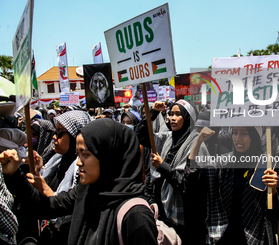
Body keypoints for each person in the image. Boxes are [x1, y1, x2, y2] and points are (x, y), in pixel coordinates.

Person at [1, 118, 158, 245]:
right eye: (78, 154)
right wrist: (14, 174)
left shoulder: (136, 216)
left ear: (109, 157)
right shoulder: (87, 190)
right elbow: (46, 206)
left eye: (86, 154)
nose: (78, 162)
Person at [196, 126, 279, 245]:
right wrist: (198, 142)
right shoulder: (224, 162)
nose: (238, 138)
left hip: (257, 236)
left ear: (254, 137)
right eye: (235, 133)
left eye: (244, 133)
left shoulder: (265, 165)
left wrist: (272, 191)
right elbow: (194, 178)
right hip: (226, 235)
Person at [135, 99, 209, 244]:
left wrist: (163, 166)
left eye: (178, 114)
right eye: (171, 114)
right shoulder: (167, 138)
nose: (172, 118)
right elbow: (139, 135)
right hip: (163, 211)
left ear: (188, 117)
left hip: (185, 217)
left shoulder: (197, 145)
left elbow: (187, 184)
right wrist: (154, 113)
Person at [27, 110, 92, 245]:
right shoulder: (57, 160)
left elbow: (65, 205)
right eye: (55, 133)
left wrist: (44, 187)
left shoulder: (84, 168)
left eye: (60, 133)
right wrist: (38, 173)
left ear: (76, 135)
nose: (54, 138)